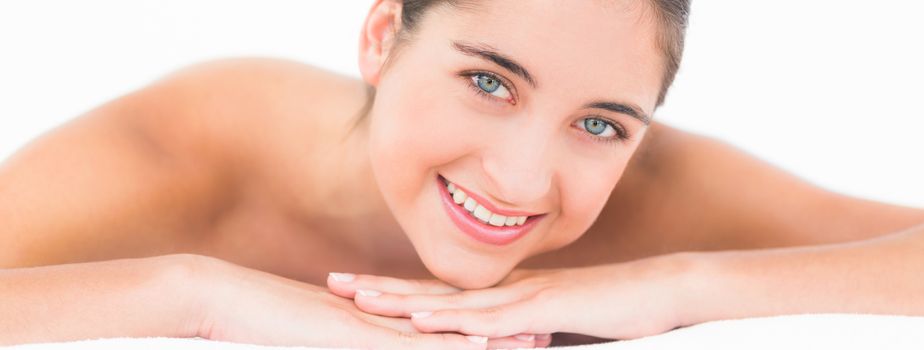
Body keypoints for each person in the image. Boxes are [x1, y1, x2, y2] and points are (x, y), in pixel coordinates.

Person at [1, 0, 923, 349]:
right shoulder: (196, 147)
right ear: (378, 36)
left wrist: (678, 286)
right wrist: (197, 297)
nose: (523, 179)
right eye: (488, 80)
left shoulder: (663, 195)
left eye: (600, 123)